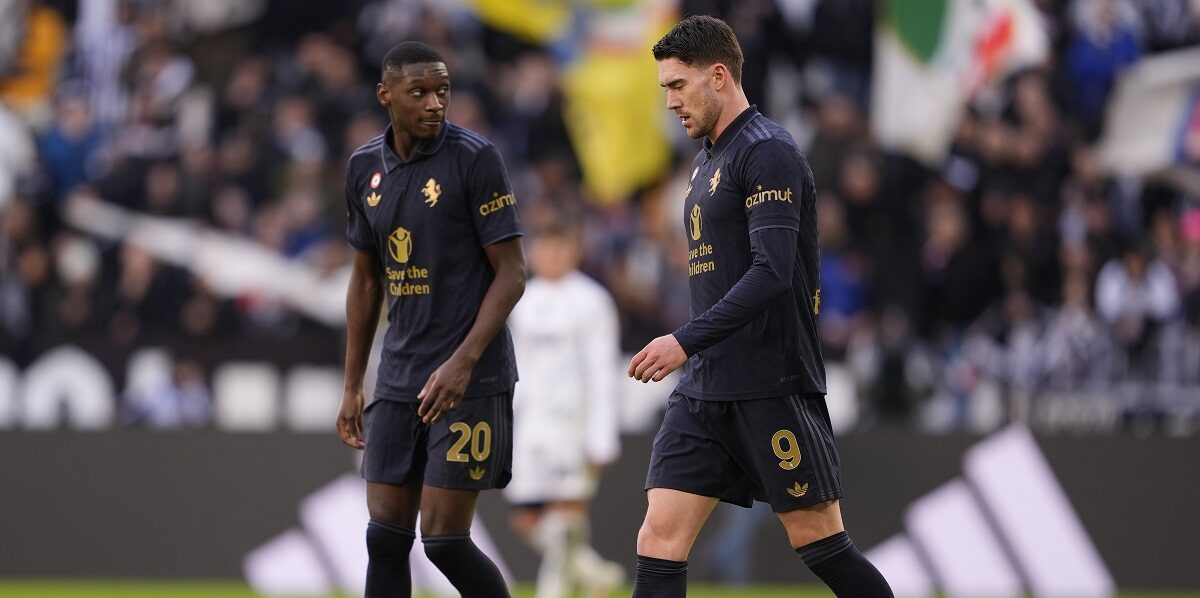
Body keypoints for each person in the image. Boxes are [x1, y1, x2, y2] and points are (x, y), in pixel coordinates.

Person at [627, 16, 894, 597]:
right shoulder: (704, 162)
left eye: (677, 85)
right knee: (658, 538)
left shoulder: (767, 152)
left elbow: (772, 273)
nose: (669, 101)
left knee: (820, 544)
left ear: (718, 76)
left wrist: (683, 341)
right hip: (705, 388)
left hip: (769, 380)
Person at [336, 41, 526, 598]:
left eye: (442, 90)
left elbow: (512, 273)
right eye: (418, 92)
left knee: (443, 540)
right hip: (398, 377)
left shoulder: (475, 159)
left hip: (470, 377)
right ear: (385, 95)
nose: (434, 103)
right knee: (385, 538)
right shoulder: (363, 168)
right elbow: (367, 280)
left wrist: (462, 365)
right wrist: (352, 384)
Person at [505, 220, 624, 598]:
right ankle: (597, 576)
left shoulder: (593, 301)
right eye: (545, 247)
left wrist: (602, 435)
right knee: (527, 518)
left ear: (574, 251)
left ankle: (551, 591)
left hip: (573, 423)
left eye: (560, 248)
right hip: (530, 425)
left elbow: (603, 371)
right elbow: (516, 367)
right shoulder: (521, 300)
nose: (551, 256)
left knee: (566, 515)